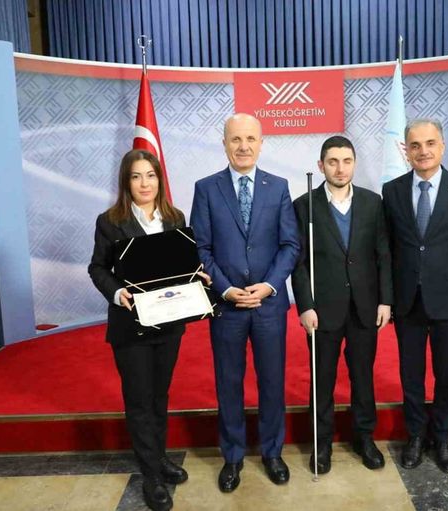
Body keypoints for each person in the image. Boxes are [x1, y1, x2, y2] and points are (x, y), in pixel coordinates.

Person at [89, 149, 208, 511]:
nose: (145, 183)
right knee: (140, 400)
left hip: (169, 322)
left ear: (160, 179)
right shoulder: (110, 221)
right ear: (126, 182)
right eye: (136, 176)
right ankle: (151, 476)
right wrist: (117, 292)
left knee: (159, 396)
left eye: (151, 175)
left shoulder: (175, 218)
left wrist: (196, 278)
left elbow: (179, 268)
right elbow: (98, 268)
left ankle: (159, 457)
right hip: (131, 327)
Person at [190, 113, 300, 492]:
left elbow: (290, 244)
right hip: (227, 306)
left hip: (268, 305)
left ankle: (272, 452)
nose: (243, 146)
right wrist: (224, 289)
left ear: (261, 143)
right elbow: (200, 248)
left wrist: (269, 285)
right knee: (229, 382)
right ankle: (233, 456)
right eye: (236, 139)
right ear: (224, 143)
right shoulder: (206, 188)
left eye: (251, 139)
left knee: (272, 382)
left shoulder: (278, 187)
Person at [381, 118, 448, 474]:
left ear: (442, 147)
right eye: (415, 145)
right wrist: (387, 298)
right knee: (410, 374)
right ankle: (415, 435)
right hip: (407, 300)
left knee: (447, 374)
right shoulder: (392, 190)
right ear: (407, 150)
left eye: (430, 143)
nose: (423, 151)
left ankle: (443, 438)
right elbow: (387, 250)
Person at [291, 136, 393, 474]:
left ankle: (364, 438)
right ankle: (321, 443)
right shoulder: (304, 205)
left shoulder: (372, 202)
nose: (340, 168)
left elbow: (383, 254)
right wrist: (305, 305)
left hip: (365, 305)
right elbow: (299, 263)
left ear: (354, 164)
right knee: (322, 379)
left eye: (346, 161)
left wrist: (385, 300)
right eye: (332, 162)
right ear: (321, 165)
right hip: (322, 310)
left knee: (363, 376)